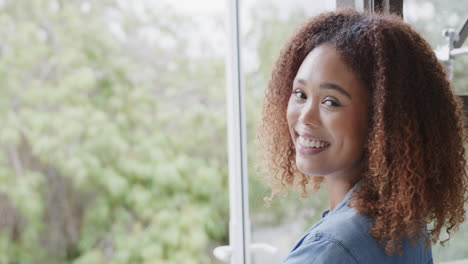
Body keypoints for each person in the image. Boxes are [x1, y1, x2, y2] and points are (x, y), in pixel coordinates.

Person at [256, 9, 467, 264]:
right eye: (300, 94)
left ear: (382, 121)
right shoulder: (402, 226)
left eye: (331, 102)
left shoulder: (331, 250)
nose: (305, 117)